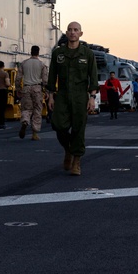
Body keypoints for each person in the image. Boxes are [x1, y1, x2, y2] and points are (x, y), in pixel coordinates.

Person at [46, 21, 98, 176]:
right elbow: (51, 76)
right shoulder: (58, 53)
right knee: (58, 125)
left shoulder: (87, 54)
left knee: (78, 128)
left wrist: (92, 97)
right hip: (62, 95)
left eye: (76, 30)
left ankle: (76, 161)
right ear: (67, 33)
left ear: (80, 33)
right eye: (70, 30)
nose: (72, 32)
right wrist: (50, 96)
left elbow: (93, 77)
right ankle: (68, 149)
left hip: (80, 96)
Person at [18, 45, 48, 141]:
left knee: (26, 108)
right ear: (38, 53)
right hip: (37, 88)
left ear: (30, 52)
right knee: (37, 110)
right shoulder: (42, 64)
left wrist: (18, 89)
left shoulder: (23, 63)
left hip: (26, 88)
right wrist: (47, 91)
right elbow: (45, 80)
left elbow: (18, 78)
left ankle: (25, 121)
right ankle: (34, 133)